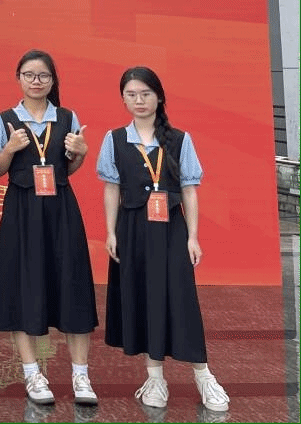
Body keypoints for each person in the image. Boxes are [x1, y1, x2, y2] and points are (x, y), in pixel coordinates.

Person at [97, 66, 229, 413]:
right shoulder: (114, 139)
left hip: (171, 230)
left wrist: (193, 236)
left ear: (159, 97)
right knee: (143, 298)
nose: (139, 100)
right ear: (123, 99)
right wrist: (110, 232)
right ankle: (155, 378)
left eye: (145, 94)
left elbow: (189, 189)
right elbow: (111, 189)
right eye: (131, 95)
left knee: (181, 299)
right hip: (132, 230)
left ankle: (204, 376)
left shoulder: (179, 140)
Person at [0, 49, 97, 406]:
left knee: (73, 285)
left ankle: (80, 375)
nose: (36, 81)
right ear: (18, 78)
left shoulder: (66, 117)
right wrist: (9, 148)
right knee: (23, 287)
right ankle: (32, 373)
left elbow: (69, 168)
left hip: (61, 210)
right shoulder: (5, 119)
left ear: (52, 81)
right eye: (29, 75)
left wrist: (80, 153)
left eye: (43, 76)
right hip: (21, 210)